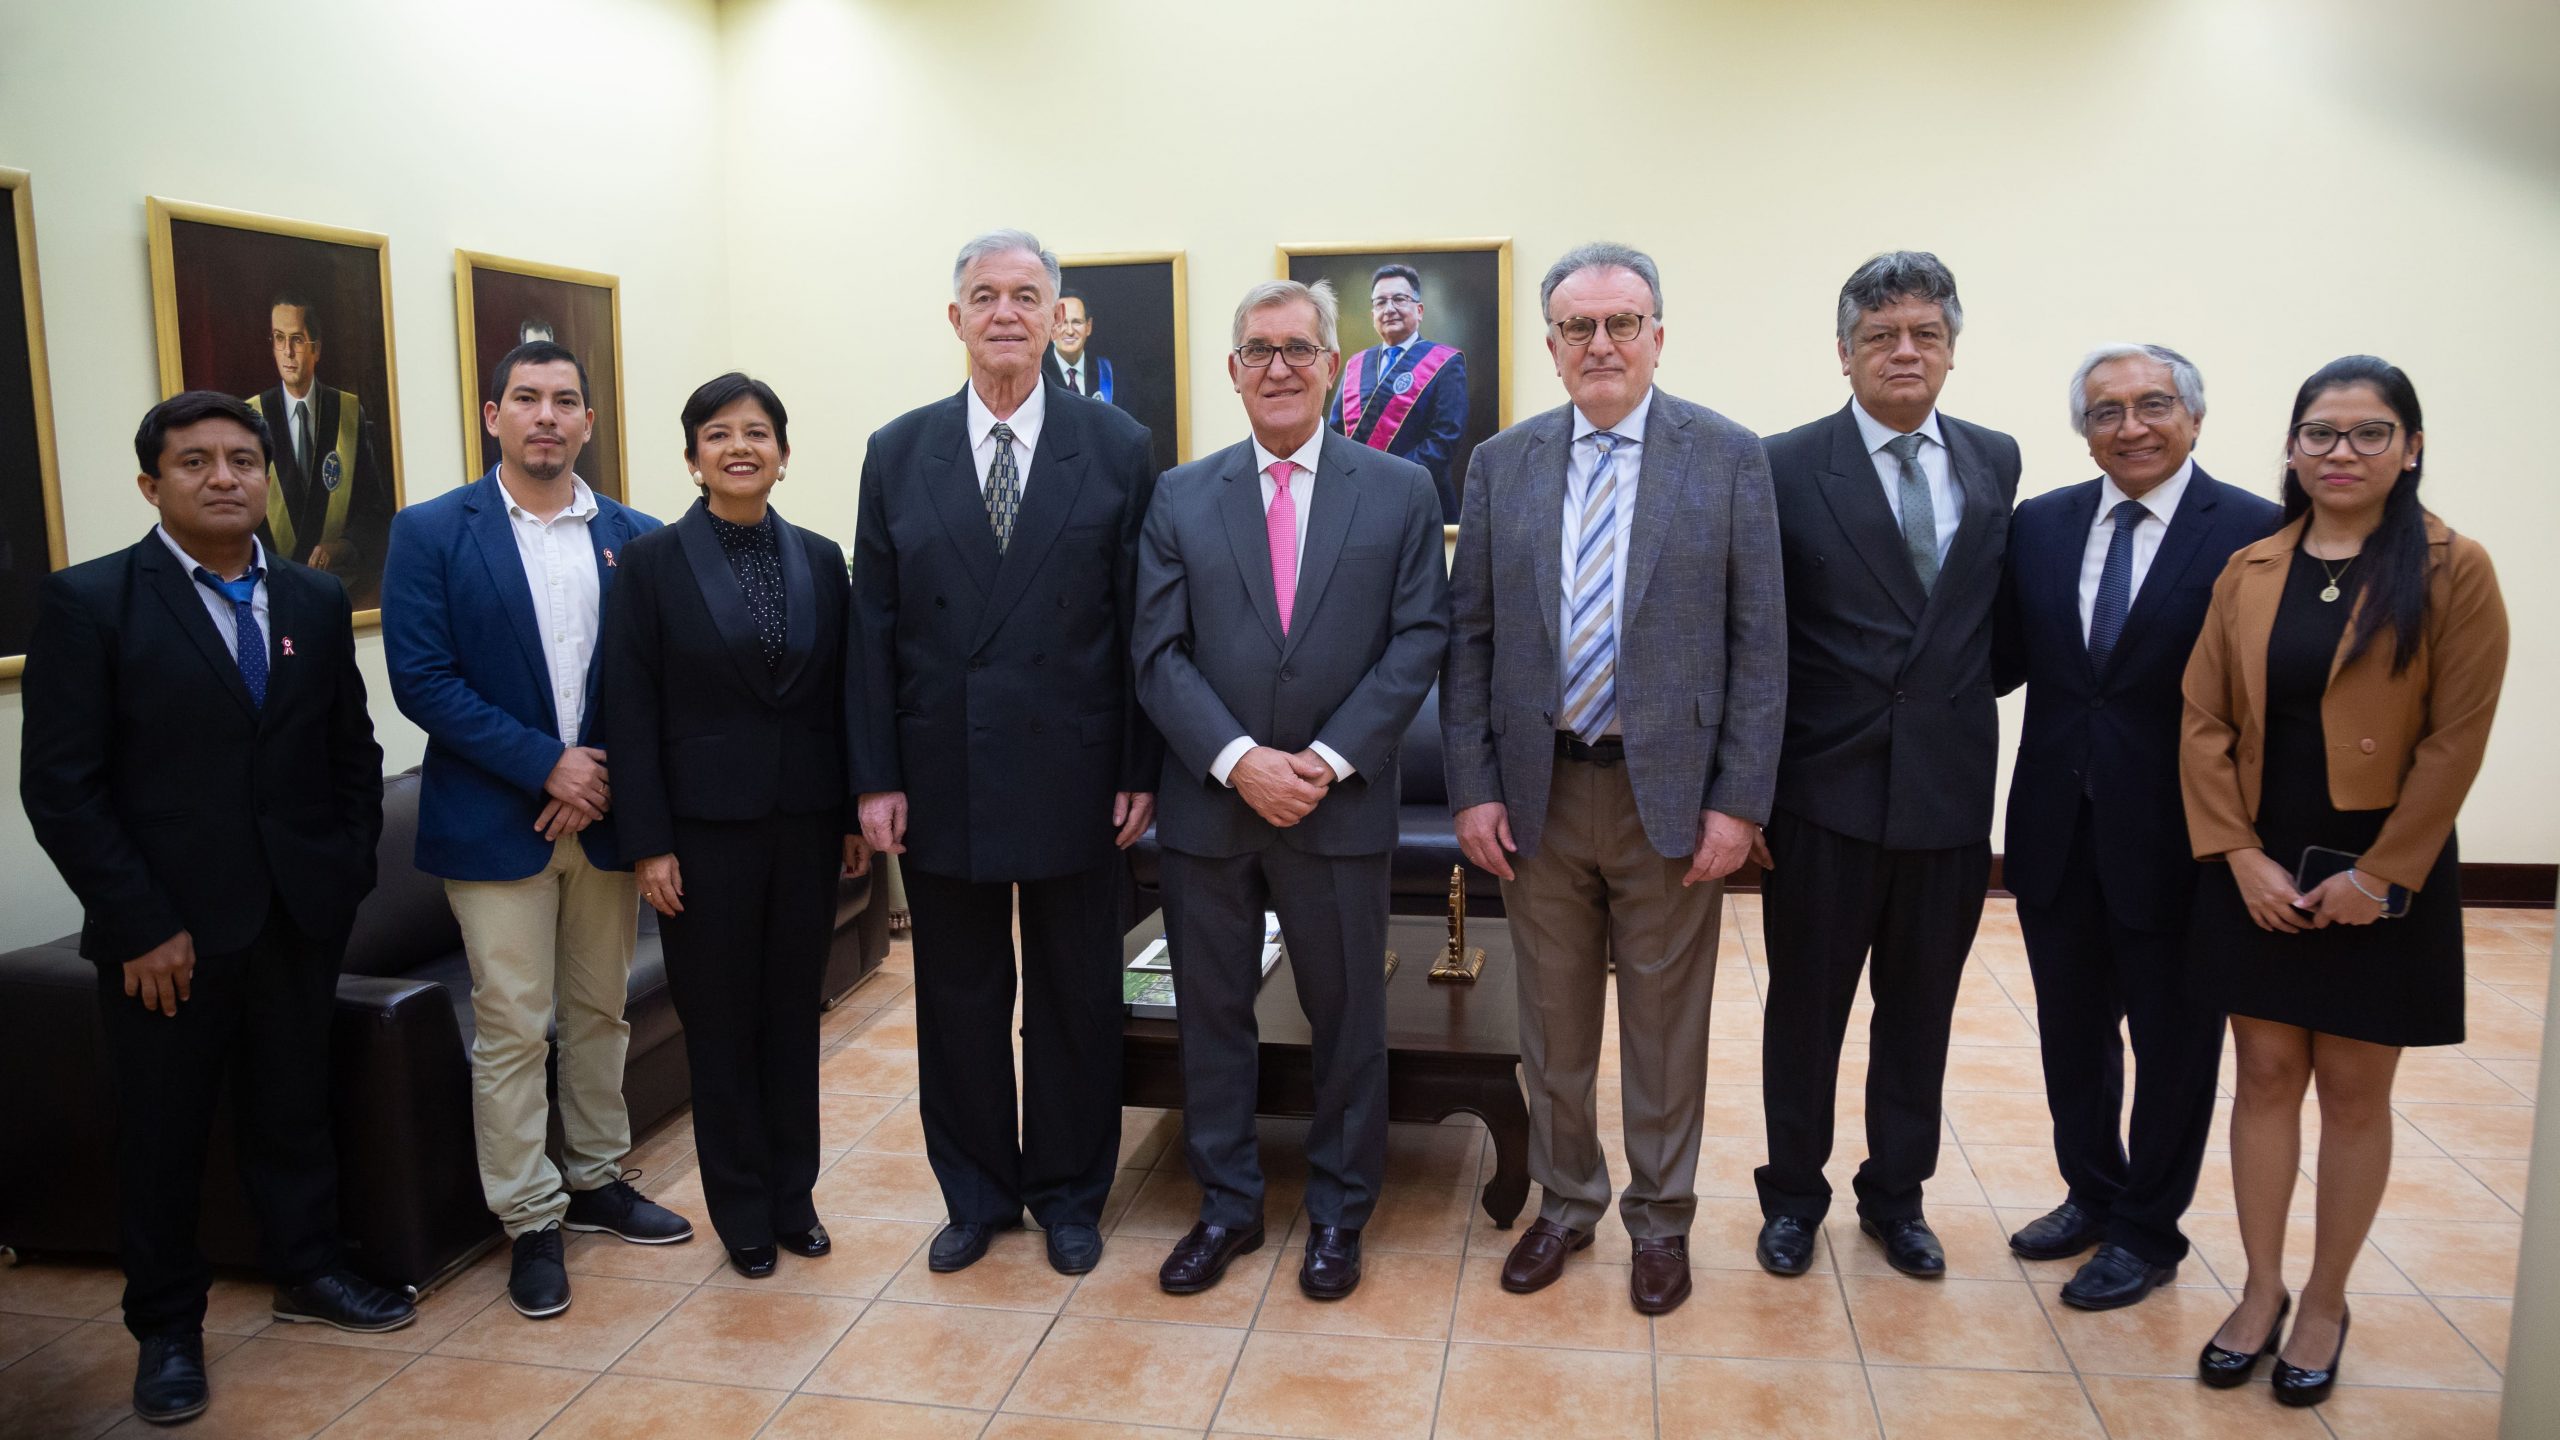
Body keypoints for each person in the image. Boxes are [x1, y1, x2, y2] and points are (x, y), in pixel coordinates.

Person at [20, 391, 414, 1424]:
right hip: (168, 938)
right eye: (195, 462)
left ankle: (309, 1269)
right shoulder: (91, 602)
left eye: (242, 459)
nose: (225, 477)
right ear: (151, 485)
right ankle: (166, 1330)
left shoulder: (312, 600)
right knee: (163, 1134)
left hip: (298, 915)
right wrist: (140, 923)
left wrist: (344, 870)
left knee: (294, 1106)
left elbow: (351, 750)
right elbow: (62, 788)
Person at [1442, 242, 1785, 1316]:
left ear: (1657, 337)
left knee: (1664, 1026)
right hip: (1538, 794)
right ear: (1551, 345)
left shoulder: (1727, 457)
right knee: (1551, 1024)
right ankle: (1566, 1202)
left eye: (1621, 323)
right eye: (1578, 327)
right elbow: (1470, 639)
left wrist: (1739, 803)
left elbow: (1760, 645)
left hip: (1668, 797)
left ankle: (1662, 1218)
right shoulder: (1501, 464)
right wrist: (1473, 787)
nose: (1600, 343)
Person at [2183, 356, 2506, 1406]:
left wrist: (2380, 876)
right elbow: (2204, 721)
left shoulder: (2454, 569)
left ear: (2410, 449)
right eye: (2320, 432)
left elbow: (2456, 741)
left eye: (2370, 433)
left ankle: (2325, 1299)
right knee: (2266, 1076)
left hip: (2382, 870)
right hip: (2262, 860)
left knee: (2356, 1092)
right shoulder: (2250, 568)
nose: (2342, 452)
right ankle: (2261, 1288)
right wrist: (2237, 855)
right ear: (2291, 448)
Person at [848, 229, 1162, 1278]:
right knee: (959, 999)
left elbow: (1141, 625)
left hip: (1078, 769)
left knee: (1077, 994)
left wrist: (1139, 767)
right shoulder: (898, 451)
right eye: (984, 295)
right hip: (943, 772)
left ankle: (1070, 1194)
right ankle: (976, 1195)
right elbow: (873, 627)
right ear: (955, 318)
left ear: (1054, 315)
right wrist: (874, 776)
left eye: (1026, 295)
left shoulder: (1116, 445)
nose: (1005, 314)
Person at [1133, 278, 1449, 1300]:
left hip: (1338, 806)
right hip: (1210, 808)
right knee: (1211, 1019)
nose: (1279, 368)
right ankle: (1226, 1207)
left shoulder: (1399, 491)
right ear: (1232, 371)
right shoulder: (1180, 495)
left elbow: (1419, 639)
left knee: (1347, 1021)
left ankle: (1339, 1214)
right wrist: (1239, 760)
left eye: (1298, 349)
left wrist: (1325, 759)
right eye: (1259, 351)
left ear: (1331, 367)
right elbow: (1157, 653)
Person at [381, 340, 692, 1322]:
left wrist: (596, 773)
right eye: (526, 399)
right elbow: (422, 679)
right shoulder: (431, 532)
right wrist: (544, 765)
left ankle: (597, 1178)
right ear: (494, 416)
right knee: (515, 1024)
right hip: (492, 822)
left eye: (564, 400)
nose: (546, 416)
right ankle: (530, 1218)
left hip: (603, 819)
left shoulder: (638, 537)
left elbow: (651, 681)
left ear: (588, 422)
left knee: (599, 1010)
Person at [1991, 344, 2280, 1310]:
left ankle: (2149, 1232)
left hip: (2183, 842)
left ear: (2194, 417)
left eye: (2153, 405)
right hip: (2055, 830)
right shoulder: (2041, 525)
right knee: (2072, 1036)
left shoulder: (2254, 532)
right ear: (2085, 431)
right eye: (2106, 411)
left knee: (2174, 1048)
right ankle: (2092, 1192)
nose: (2131, 427)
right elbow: (1999, 661)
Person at [1753, 251, 2021, 1281]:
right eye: (1879, 336)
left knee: (1920, 1017)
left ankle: (1896, 1198)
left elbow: (1991, 625)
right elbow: (1758, 637)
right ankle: (1792, 1197)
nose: (1903, 351)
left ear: (1951, 350)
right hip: (1822, 794)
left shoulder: (1995, 460)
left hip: (1947, 795)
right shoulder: (1783, 465)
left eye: (1924, 334)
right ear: (1843, 352)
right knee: (1805, 1014)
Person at [602, 373, 867, 1278]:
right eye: (718, 434)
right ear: (692, 458)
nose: (739, 447)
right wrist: (648, 842)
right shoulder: (649, 564)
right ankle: (742, 1211)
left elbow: (839, 697)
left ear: (783, 456)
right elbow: (629, 707)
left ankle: (794, 1199)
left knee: (794, 1018)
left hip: (804, 826)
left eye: (757, 432)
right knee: (720, 1027)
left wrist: (849, 814)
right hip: (700, 836)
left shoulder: (821, 559)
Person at [246, 294, 394, 608]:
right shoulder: (251, 417)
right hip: (274, 594)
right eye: (279, 338)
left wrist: (344, 546)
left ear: (317, 349)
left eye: (297, 339)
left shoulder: (347, 413)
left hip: (340, 589)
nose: (287, 352)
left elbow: (374, 511)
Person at [1328, 263, 1469, 523]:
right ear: (1373, 313)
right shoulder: (1356, 364)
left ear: (1419, 310)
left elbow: (1444, 440)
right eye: (1380, 302)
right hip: (1358, 505)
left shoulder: (1446, 363)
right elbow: (1335, 433)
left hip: (1421, 502)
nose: (1389, 309)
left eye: (1399, 299)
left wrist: (1390, 481)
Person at [1048, 290, 1115, 402]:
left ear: (1088, 326)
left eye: (1076, 322)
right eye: (1062, 322)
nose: (1069, 331)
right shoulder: (1036, 374)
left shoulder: (1107, 373)